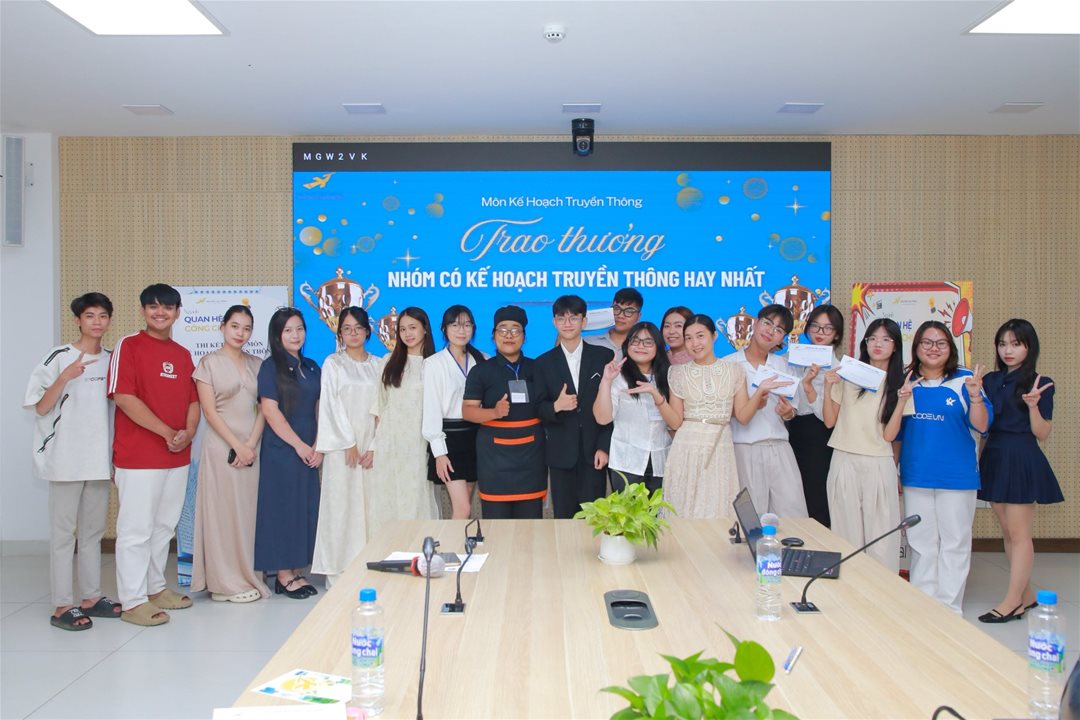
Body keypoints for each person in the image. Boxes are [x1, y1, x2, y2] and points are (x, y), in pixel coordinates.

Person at [24, 292, 121, 631]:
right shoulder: (59, 357)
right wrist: (65, 376)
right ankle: (62, 604)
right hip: (65, 459)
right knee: (64, 535)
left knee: (93, 533)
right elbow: (40, 407)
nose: (97, 322)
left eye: (103, 316)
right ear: (77, 320)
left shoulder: (112, 360)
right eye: (90, 315)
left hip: (98, 460)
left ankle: (91, 597)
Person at [107, 283, 199, 626]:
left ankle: (154, 588)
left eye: (167, 307)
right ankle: (132, 601)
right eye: (153, 307)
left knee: (163, 527)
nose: (160, 313)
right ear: (143, 311)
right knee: (136, 530)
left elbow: (193, 400)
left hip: (176, 456)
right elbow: (123, 397)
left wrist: (188, 432)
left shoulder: (182, 354)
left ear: (177, 312)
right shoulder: (128, 346)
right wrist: (166, 433)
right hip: (139, 457)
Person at [893, 320, 991, 614]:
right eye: (927, 342)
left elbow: (982, 425)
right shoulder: (907, 381)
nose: (933, 348)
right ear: (916, 347)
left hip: (957, 477)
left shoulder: (966, 379)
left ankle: (949, 609)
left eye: (941, 343)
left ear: (950, 348)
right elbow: (897, 434)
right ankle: (923, 607)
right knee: (921, 543)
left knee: (954, 543)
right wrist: (894, 471)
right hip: (916, 475)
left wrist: (975, 395)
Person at [976, 319, 1062, 623]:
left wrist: (1033, 406)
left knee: (1019, 533)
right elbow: (984, 427)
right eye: (1002, 344)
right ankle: (1025, 595)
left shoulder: (1040, 382)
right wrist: (979, 460)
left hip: (1021, 456)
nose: (1007, 350)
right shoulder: (989, 380)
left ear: (1029, 347)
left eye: (1015, 344)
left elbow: (1042, 433)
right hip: (995, 456)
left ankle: (1013, 602)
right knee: (1007, 531)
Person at [664, 314, 788, 518]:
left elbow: (743, 416)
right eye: (688, 338)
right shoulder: (677, 372)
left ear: (714, 336)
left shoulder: (734, 370)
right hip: (686, 446)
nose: (695, 343)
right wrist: (658, 399)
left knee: (716, 507)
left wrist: (759, 393)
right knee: (683, 507)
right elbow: (676, 421)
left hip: (721, 446)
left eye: (700, 336)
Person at [190, 305, 269, 603]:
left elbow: (264, 408)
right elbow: (209, 412)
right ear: (222, 326)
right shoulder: (208, 363)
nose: (241, 333)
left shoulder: (258, 364)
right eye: (235, 326)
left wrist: (250, 444)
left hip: (252, 447)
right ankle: (224, 583)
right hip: (221, 446)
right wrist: (236, 445)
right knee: (221, 513)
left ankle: (247, 575)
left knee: (247, 514)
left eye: (247, 328)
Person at [821, 318, 905, 573]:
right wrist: (827, 386)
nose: (878, 344)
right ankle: (849, 590)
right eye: (873, 338)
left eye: (886, 339)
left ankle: (881, 590)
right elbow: (829, 421)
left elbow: (890, 435)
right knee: (845, 535)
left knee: (882, 538)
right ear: (865, 343)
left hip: (879, 462)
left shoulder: (901, 383)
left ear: (895, 346)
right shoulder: (848, 375)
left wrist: (902, 401)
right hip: (844, 457)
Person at [312, 307, 382, 588]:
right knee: (342, 506)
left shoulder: (379, 364)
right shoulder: (333, 363)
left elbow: (385, 408)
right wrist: (348, 442)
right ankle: (339, 572)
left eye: (358, 328)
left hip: (372, 449)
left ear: (368, 331)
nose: (353, 334)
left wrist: (374, 445)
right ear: (339, 333)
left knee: (371, 507)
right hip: (343, 448)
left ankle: (371, 565)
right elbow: (330, 404)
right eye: (347, 329)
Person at [254, 308, 322, 600]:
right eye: (288, 330)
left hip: (310, 450)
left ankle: (295, 568)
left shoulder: (312, 366)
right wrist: (299, 445)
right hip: (283, 450)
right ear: (277, 335)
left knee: (303, 508)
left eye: (300, 329)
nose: (295, 335)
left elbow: (319, 407)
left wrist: (318, 444)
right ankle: (283, 574)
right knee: (282, 509)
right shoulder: (270, 367)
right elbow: (270, 411)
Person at [723, 304, 809, 518]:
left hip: (780, 447)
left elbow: (792, 411)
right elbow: (721, 411)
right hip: (744, 448)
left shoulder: (784, 366)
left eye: (779, 330)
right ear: (755, 323)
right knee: (750, 517)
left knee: (793, 513)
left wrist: (787, 412)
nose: (771, 331)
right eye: (767, 323)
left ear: (782, 339)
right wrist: (751, 405)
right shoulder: (728, 364)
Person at [462, 306, 546, 519]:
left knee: (530, 527)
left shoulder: (538, 368)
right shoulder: (481, 371)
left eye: (515, 330)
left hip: (531, 458)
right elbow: (468, 412)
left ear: (524, 337)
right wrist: (494, 412)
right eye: (503, 329)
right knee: (496, 528)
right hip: (494, 460)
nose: (509, 335)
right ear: (493, 336)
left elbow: (546, 407)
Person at [535, 295, 614, 518]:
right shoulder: (542, 363)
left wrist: (604, 446)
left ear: (584, 321)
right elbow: (537, 407)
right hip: (561, 454)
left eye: (573, 318)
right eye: (561, 318)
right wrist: (556, 406)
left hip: (594, 453)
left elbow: (613, 406)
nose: (567, 323)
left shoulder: (603, 356)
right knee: (564, 518)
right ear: (554, 322)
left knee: (595, 518)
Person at [367, 306, 438, 533]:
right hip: (389, 443)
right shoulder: (388, 361)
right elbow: (380, 405)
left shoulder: (435, 364)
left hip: (419, 443)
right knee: (387, 497)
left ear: (425, 329)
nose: (408, 334)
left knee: (416, 497)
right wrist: (374, 445)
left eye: (413, 328)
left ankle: (418, 549)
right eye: (403, 329)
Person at [594, 321, 679, 495]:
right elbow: (603, 418)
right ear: (627, 345)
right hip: (627, 460)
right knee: (627, 512)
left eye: (648, 342)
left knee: (658, 512)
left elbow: (675, 423)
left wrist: (655, 394)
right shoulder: (618, 377)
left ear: (658, 346)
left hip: (661, 460)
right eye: (635, 341)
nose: (641, 346)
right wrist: (606, 381)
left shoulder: (669, 377)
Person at [422, 305, 485, 520]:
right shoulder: (433, 364)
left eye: (467, 325)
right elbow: (431, 410)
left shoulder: (482, 359)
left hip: (476, 437)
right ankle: (453, 543)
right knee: (463, 508)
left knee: (465, 505)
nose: (461, 330)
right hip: (449, 440)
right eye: (455, 325)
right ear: (444, 329)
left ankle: (460, 541)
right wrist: (439, 454)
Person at [789, 304, 845, 527]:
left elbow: (826, 417)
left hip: (819, 437)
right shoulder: (794, 358)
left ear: (836, 334)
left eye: (827, 328)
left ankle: (820, 543)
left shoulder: (838, 370)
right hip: (793, 432)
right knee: (794, 497)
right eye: (815, 326)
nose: (820, 333)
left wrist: (810, 387)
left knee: (816, 497)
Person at [585, 287, 643, 359]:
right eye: (616, 309)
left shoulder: (643, 348)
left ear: (638, 317)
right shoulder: (589, 342)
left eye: (628, 311)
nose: (620, 315)